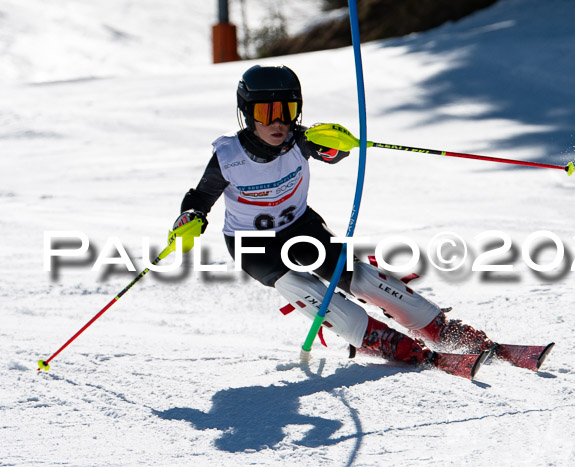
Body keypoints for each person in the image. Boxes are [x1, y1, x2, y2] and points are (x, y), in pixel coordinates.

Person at [174, 65, 495, 366]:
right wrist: (190, 217)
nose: (277, 122)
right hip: (251, 242)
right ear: (247, 112)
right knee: (299, 286)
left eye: (286, 111)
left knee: (352, 273)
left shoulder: (300, 141)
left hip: (300, 226)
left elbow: (330, 151)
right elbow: (201, 197)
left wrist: (337, 143)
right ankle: (378, 339)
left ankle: (436, 327)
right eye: (265, 112)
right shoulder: (229, 155)